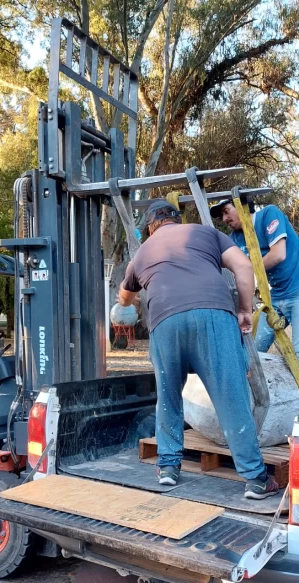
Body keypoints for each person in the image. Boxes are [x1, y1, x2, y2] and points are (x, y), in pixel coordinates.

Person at [118, 199, 280, 500]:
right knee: (232, 396)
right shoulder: (205, 233)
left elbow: (124, 296)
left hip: (165, 323)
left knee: (168, 396)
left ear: (151, 227)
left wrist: (130, 302)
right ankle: (256, 479)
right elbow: (243, 266)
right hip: (214, 317)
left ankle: (167, 468)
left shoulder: (142, 253)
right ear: (176, 220)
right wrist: (245, 310)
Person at [210, 200, 299, 415]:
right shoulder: (235, 239)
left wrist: (247, 270)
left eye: (227, 211)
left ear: (243, 206)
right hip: (275, 296)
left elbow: (278, 254)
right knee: (255, 352)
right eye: (221, 216)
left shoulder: (269, 215)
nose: (225, 219)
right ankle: (258, 408)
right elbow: (222, 262)